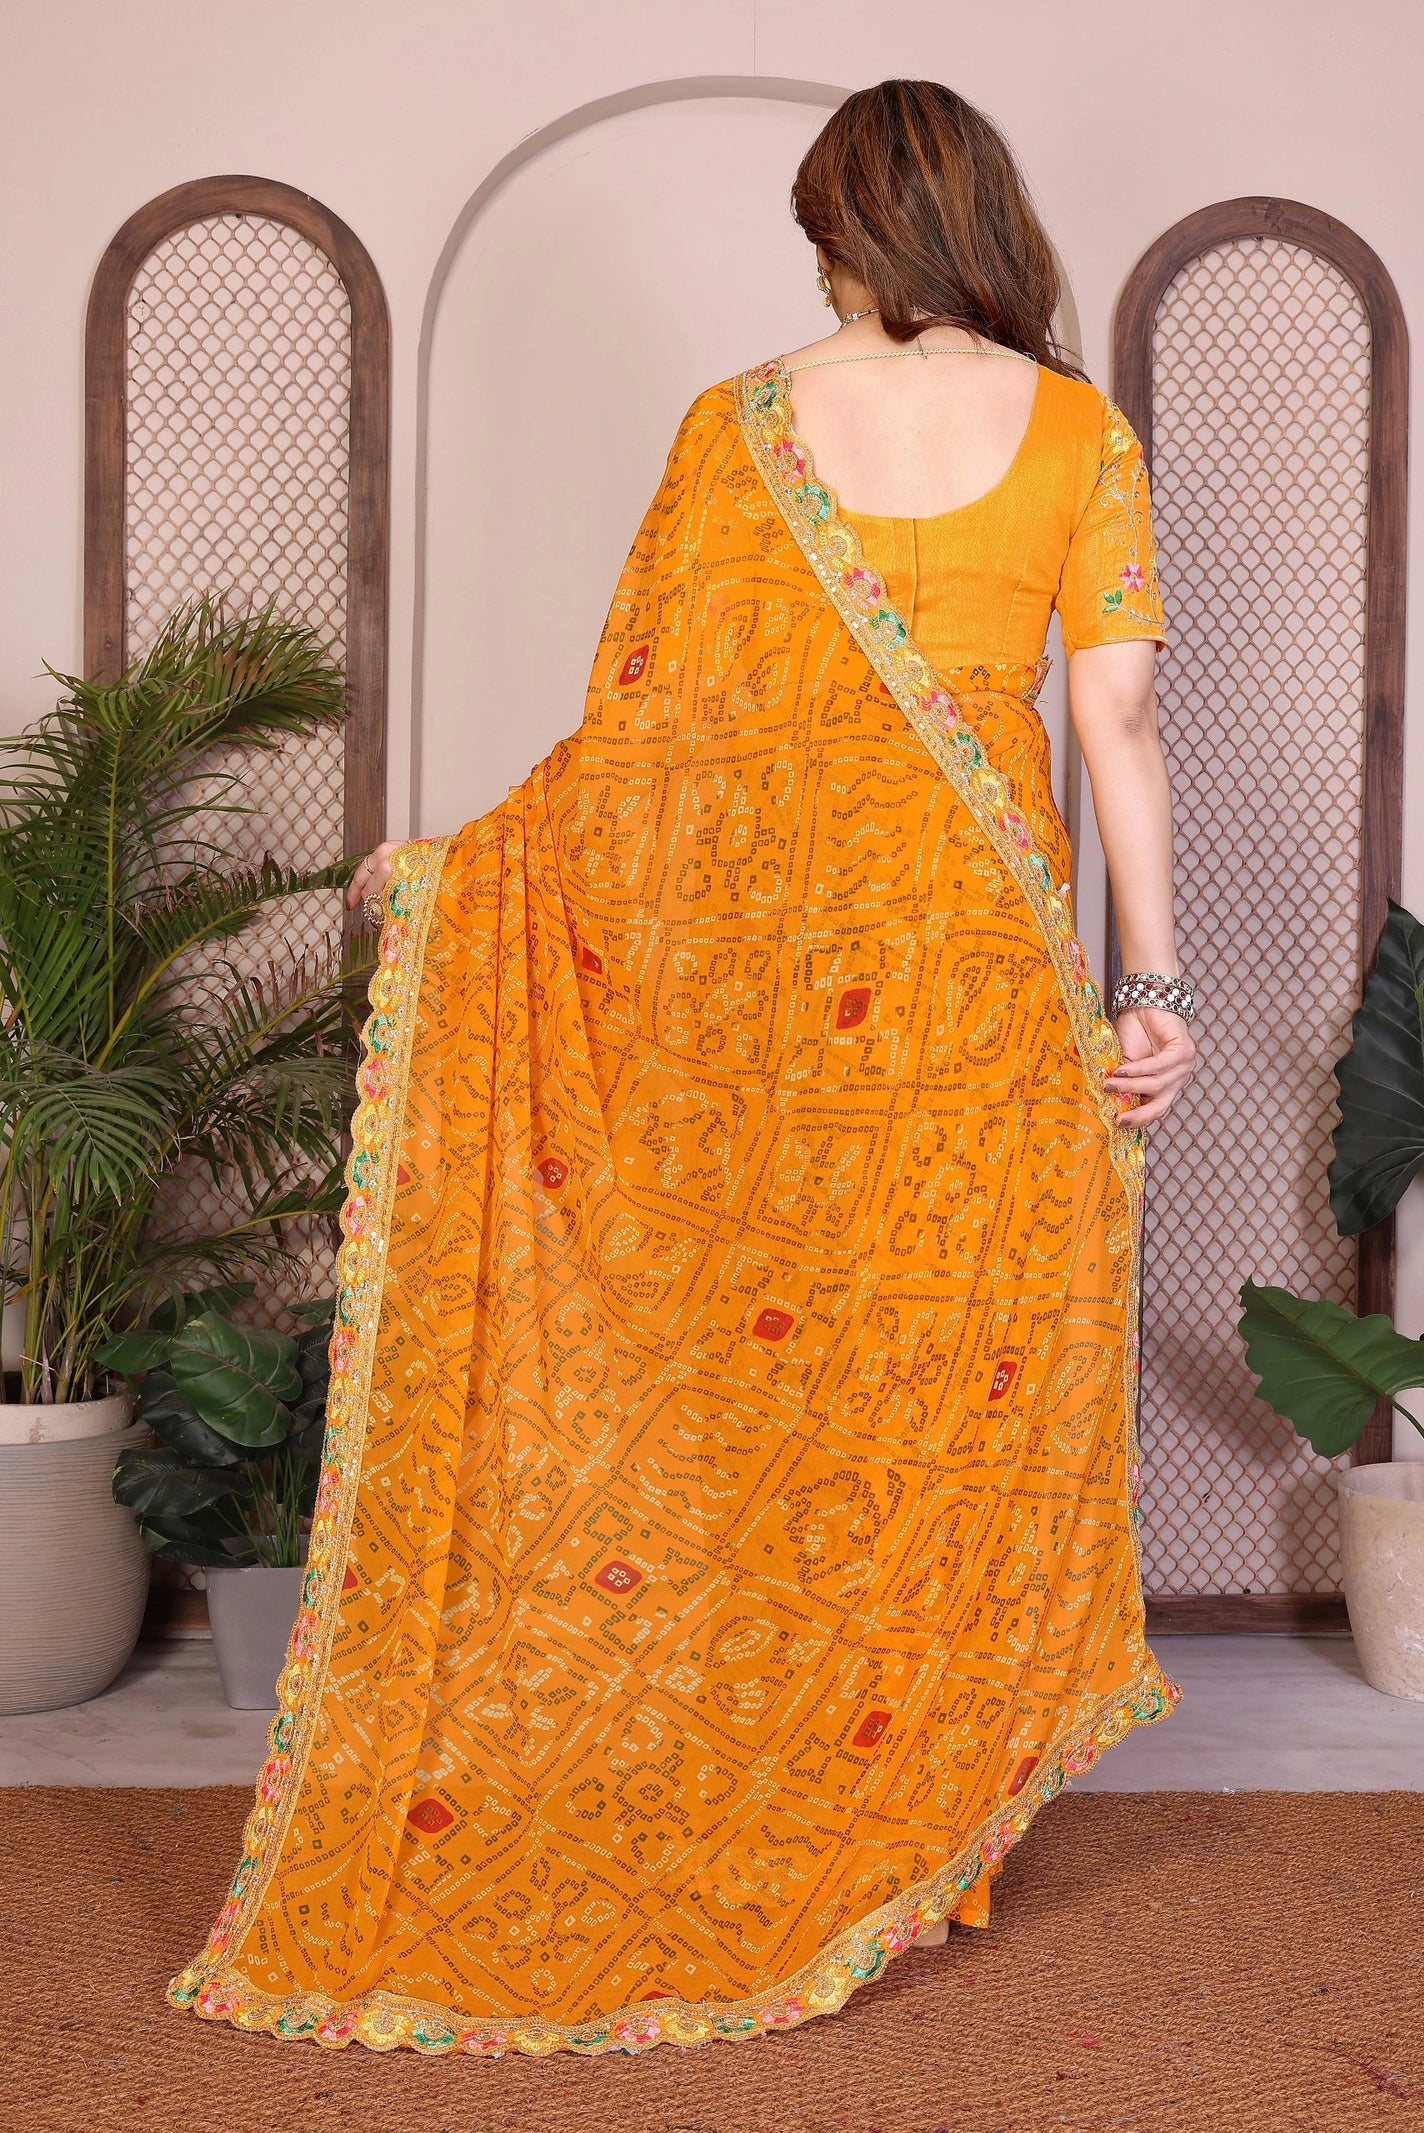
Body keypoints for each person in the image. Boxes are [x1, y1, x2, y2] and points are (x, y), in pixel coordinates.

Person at [170, 78, 1196, 2060]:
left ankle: (818, 1804)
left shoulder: (736, 430)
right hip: (980, 992)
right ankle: (894, 1831)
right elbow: (1121, 719)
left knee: (771, 1406)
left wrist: (466, 879)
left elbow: (647, 760)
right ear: (983, 218)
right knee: (930, 1408)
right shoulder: (1075, 429)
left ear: (831, 226)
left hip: (762, 1015)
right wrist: (1146, 984)